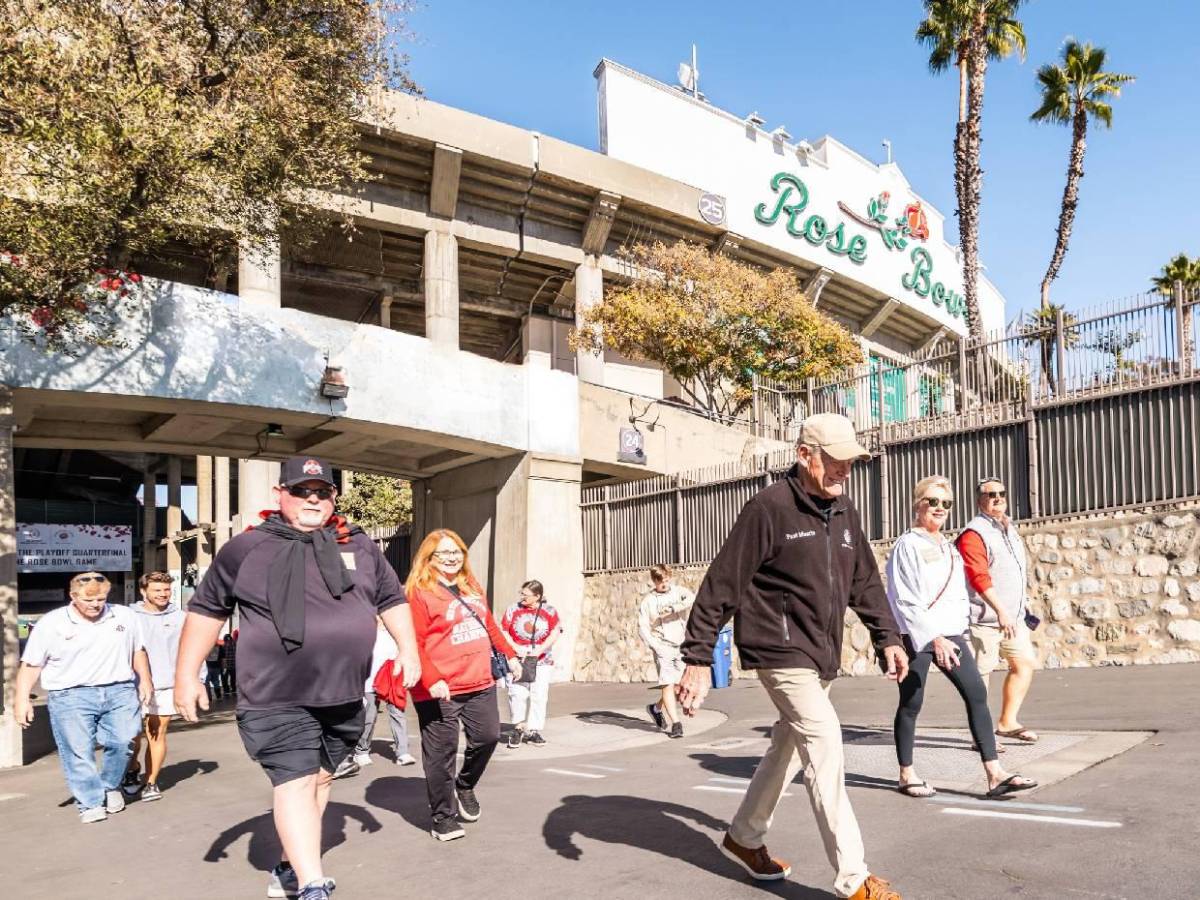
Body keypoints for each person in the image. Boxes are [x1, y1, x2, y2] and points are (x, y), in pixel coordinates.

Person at [677, 413, 908, 900]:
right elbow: (723, 582)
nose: (846, 470)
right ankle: (854, 878)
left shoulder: (844, 512)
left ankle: (744, 835)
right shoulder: (769, 508)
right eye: (837, 460)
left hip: (820, 651)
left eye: (852, 462)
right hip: (778, 650)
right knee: (824, 742)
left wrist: (888, 636)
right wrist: (697, 655)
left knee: (787, 745)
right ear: (806, 455)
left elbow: (864, 580)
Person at [174, 455, 420, 900]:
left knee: (320, 779)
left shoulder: (358, 545)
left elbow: (391, 599)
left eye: (321, 492)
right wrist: (186, 674)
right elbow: (207, 611)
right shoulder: (246, 548)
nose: (312, 499)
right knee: (295, 779)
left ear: (332, 497)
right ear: (280, 495)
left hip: (344, 691)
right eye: (301, 491)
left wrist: (410, 650)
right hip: (275, 693)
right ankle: (312, 884)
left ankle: (291, 862)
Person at [886, 475, 1038, 802]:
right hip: (916, 636)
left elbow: (957, 594)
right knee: (911, 702)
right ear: (917, 505)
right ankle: (906, 774)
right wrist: (934, 637)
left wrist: (957, 630)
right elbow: (904, 599)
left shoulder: (948, 547)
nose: (940, 509)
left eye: (946, 504)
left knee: (976, 694)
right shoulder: (907, 545)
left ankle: (995, 773)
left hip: (951, 635)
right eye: (933, 502)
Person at [406, 529, 520, 842]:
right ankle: (442, 817)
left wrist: (509, 654)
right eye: (443, 553)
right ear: (429, 558)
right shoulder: (419, 591)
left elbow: (489, 625)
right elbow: (413, 642)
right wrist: (432, 679)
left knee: (488, 736)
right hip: (438, 687)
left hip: (479, 679)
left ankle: (465, 784)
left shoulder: (470, 584)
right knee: (441, 753)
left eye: (456, 551)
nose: (452, 558)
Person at [14, 571, 152, 823]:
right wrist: (22, 699)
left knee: (124, 741)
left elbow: (137, 650)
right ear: (73, 596)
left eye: (100, 599)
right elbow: (31, 664)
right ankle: (90, 802)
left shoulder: (124, 616)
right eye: (88, 601)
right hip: (70, 695)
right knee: (78, 750)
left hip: (119, 689)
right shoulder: (52, 623)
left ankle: (109, 785)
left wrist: (146, 681)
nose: (96, 605)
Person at [958, 476, 1039, 744]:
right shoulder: (973, 533)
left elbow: (1014, 570)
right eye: (990, 495)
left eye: (1001, 493)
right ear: (979, 500)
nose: (997, 498)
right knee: (980, 676)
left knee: (1024, 664)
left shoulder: (1007, 527)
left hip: (1013, 618)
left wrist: (1022, 602)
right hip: (985, 620)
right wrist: (1000, 610)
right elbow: (978, 577)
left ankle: (1007, 722)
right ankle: (980, 736)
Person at [121, 571, 196, 801]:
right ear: (144, 591)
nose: (163, 594)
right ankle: (132, 769)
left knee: (157, 733)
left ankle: (151, 782)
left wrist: (195, 679)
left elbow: (191, 649)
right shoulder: (129, 616)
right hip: (133, 684)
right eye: (157, 590)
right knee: (132, 735)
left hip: (166, 684)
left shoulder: (181, 617)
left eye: (166, 590)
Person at [333, 617, 416, 777]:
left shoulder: (395, 633)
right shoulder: (366, 633)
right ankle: (362, 750)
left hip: (391, 680)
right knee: (369, 717)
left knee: (398, 714)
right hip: (369, 682)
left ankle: (403, 752)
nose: (382, 619)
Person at [501, 579, 563, 748]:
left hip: (541, 659)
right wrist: (515, 648)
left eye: (526, 595)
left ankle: (534, 730)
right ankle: (519, 727)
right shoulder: (513, 609)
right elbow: (504, 631)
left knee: (539, 695)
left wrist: (540, 650)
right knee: (517, 694)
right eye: (521, 593)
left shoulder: (549, 611)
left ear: (537, 596)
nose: (522, 597)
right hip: (517, 658)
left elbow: (555, 632)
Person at [638, 565, 694, 739]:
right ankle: (676, 724)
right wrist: (654, 645)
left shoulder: (678, 592)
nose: (665, 583)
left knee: (677, 685)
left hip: (680, 644)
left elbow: (692, 598)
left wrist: (673, 608)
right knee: (667, 684)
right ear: (654, 581)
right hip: (662, 646)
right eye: (661, 581)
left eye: (667, 579)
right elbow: (642, 626)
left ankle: (656, 708)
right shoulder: (648, 601)